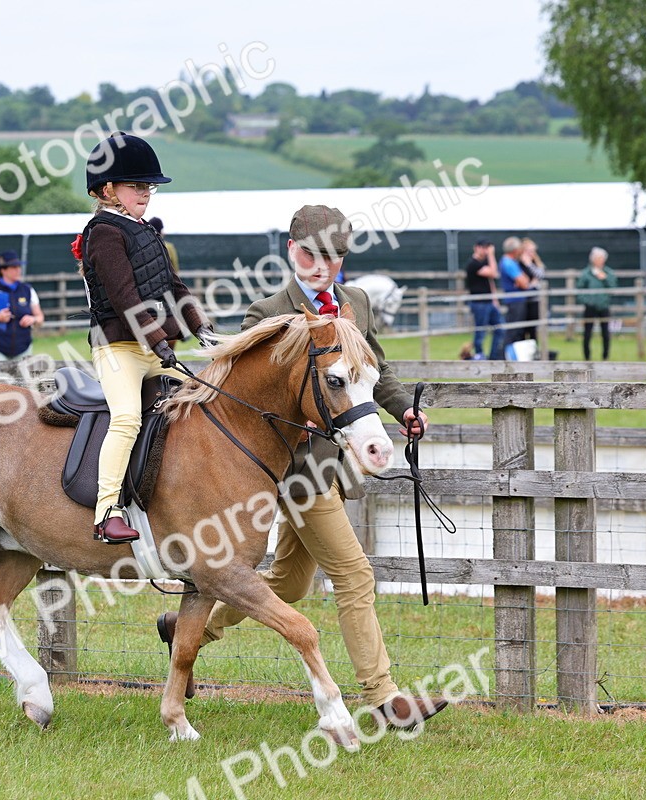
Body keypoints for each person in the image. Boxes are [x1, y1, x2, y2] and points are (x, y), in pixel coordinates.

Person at [155, 204, 446, 729]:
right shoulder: (266, 313)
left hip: (331, 466)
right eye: (311, 254)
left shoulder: (354, 302)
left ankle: (188, 628)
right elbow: (239, 402)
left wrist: (402, 407)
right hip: (290, 472)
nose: (322, 266)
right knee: (354, 576)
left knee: (287, 584)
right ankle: (384, 699)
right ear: (291, 249)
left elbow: (372, 371)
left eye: (334, 257)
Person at [75, 131, 212, 544]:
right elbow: (125, 298)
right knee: (126, 419)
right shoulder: (103, 233)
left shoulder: (146, 231)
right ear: (106, 190)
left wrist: (202, 329)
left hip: (154, 347)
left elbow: (174, 285)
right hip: (119, 348)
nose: (146, 193)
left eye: (148, 186)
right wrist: (160, 344)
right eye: (137, 186)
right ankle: (107, 512)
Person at [0, 250, 44, 361]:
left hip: (23, 348)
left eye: (19, 266)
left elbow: (40, 318)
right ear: (3, 270)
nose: (18, 270)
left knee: (23, 378)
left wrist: (33, 319)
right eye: (14, 267)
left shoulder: (28, 290)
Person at [464, 238, 505, 360]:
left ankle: (493, 356)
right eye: (484, 247)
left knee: (500, 329)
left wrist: (494, 299)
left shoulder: (484, 263)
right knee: (480, 331)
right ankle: (479, 354)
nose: (486, 250)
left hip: (489, 302)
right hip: (479, 303)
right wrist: (491, 255)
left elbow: (492, 280)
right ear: (476, 247)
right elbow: (493, 273)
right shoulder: (473, 264)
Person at [575, 247, 618, 361]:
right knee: (587, 333)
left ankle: (605, 357)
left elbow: (613, 288)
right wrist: (588, 301)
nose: (600, 260)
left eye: (601, 258)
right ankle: (587, 357)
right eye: (597, 258)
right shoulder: (586, 273)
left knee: (606, 333)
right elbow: (579, 291)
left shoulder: (609, 273)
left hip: (604, 307)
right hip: (590, 307)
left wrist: (605, 279)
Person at [497, 236, 532, 348]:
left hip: (517, 300)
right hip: (515, 301)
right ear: (515, 250)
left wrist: (523, 280)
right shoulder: (509, 263)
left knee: (518, 331)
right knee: (513, 331)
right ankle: (504, 357)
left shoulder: (511, 262)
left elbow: (524, 280)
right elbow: (524, 283)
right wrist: (523, 281)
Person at [518, 237, 546, 341]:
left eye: (533, 251)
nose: (532, 253)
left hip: (534, 301)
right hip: (523, 301)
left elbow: (540, 275)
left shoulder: (535, 263)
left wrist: (529, 265)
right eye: (529, 251)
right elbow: (522, 283)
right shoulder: (518, 264)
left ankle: (534, 353)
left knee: (533, 329)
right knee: (522, 329)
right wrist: (532, 284)